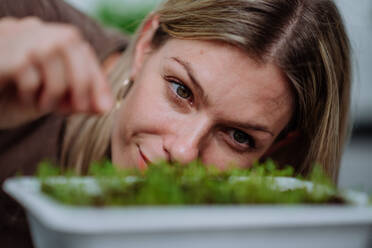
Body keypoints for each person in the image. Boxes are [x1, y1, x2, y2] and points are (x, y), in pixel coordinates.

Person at [0, 0, 351, 247]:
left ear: (278, 149)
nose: (183, 151)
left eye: (239, 137)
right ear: (146, 48)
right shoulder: (21, 31)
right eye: (181, 90)